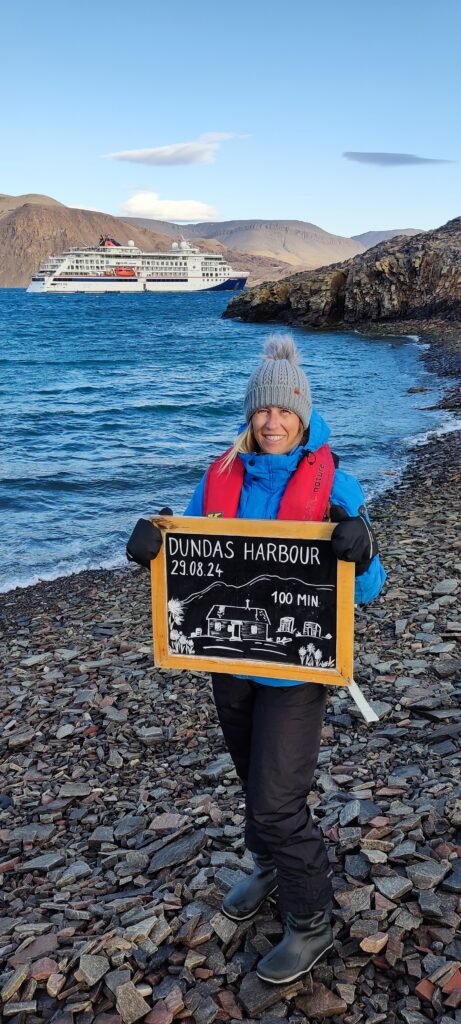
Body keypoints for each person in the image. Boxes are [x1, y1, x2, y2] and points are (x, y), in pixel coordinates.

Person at [126, 335, 386, 985]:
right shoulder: (218, 478)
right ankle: (267, 866)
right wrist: (148, 545)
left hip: (299, 667)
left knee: (276, 800)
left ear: (302, 415)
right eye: (261, 412)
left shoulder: (339, 485)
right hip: (230, 659)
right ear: (250, 415)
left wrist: (361, 548)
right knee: (252, 778)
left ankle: (310, 919)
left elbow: (371, 587)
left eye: (283, 412)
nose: (271, 422)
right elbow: (181, 555)